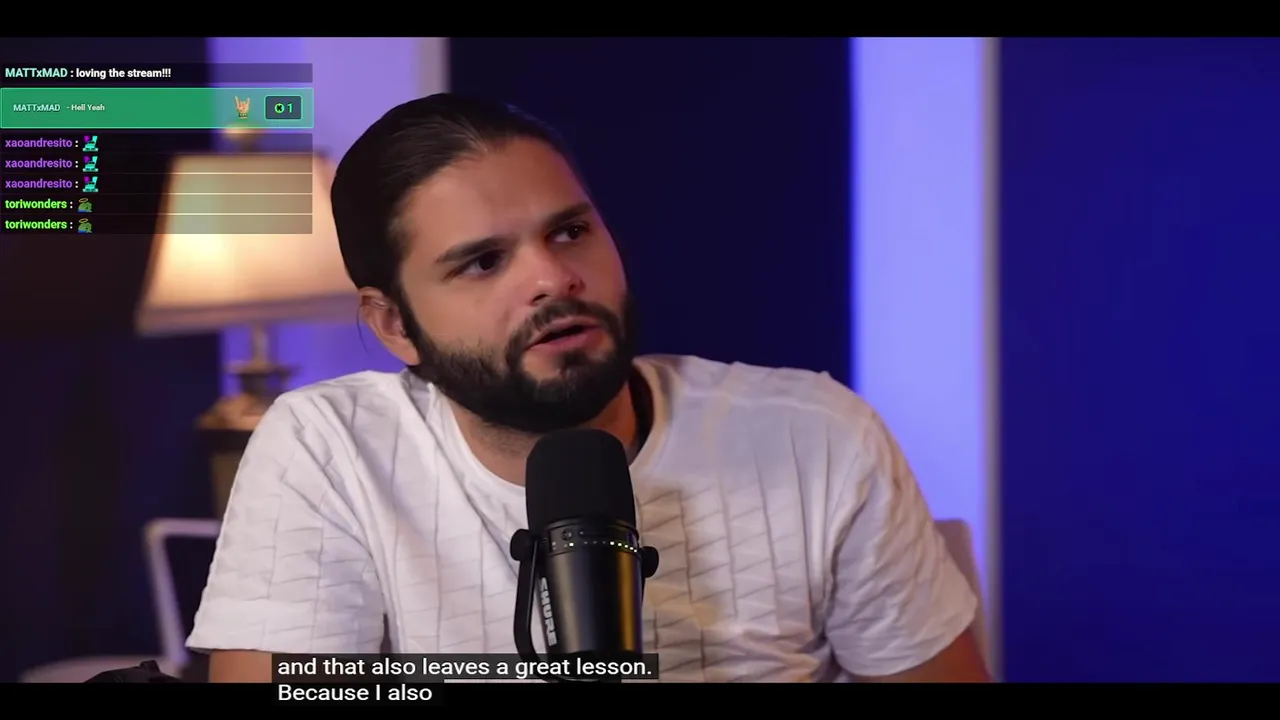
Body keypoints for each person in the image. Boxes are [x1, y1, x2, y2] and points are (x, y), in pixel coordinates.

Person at [187, 93, 990, 683]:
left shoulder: (814, 434)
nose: (553, 278)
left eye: (569, 231)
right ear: (395, 325)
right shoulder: (329, 449)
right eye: (483, 262)